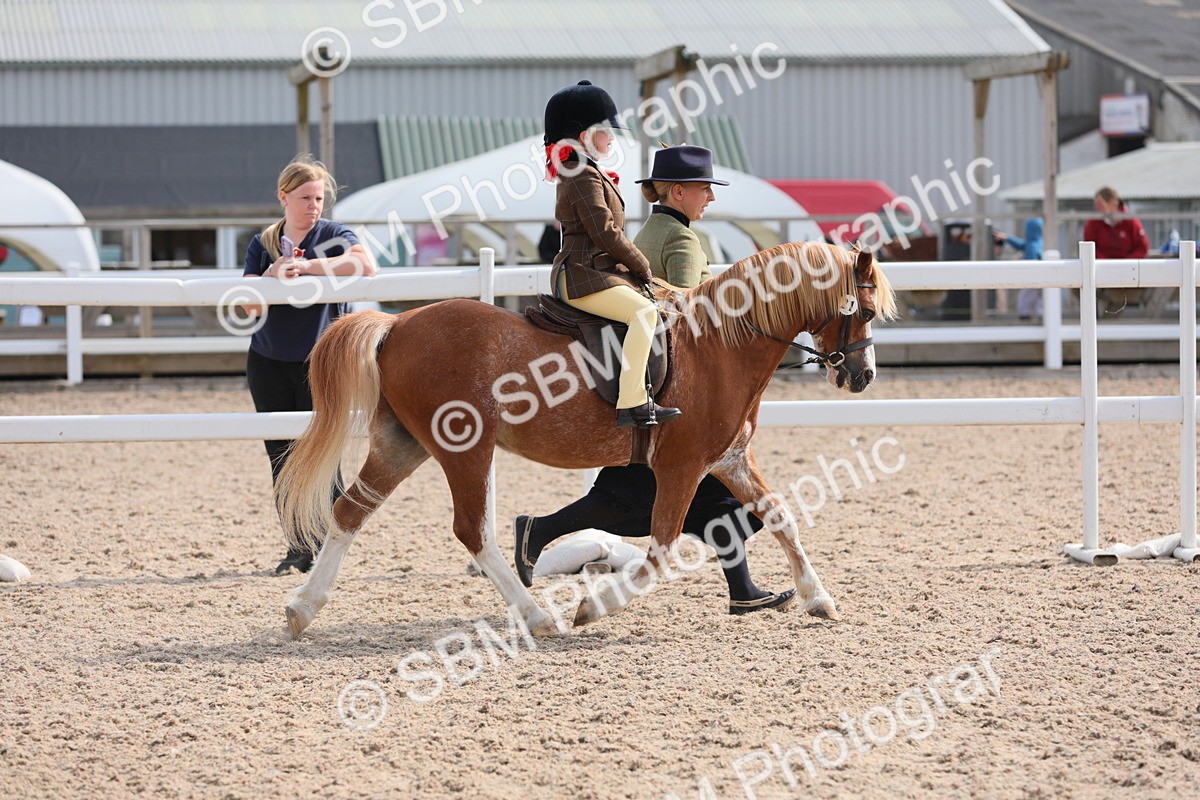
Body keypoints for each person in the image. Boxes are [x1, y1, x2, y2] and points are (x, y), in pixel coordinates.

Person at [514, 145, 796, 615]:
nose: (710, 198)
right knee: (648, 498)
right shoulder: (682, 241)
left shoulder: (651, 229)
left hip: (652, 373)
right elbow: (695, 314)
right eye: (705, 188)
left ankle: (742, 588)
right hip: (680, 388)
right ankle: (539, 531)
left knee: (698, 495)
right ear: (679, 191)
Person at [243, 154, 377, 574]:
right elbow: (245, 304)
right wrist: (272, 275)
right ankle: (298, 547)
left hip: (322, 362)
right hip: (268, 359)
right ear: (283, 197)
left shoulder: (333, 234)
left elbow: (364, 263)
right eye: (305, 197)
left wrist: (307, 267)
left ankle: (333, 543)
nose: (313, 205)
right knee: (281, 456)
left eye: (318, 197)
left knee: (326, 452)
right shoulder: (262, 244)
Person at [543, 80, 681, 429]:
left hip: (594, 270)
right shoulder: (580, 174)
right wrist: (641, 264)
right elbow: (604, 232)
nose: (612, 138)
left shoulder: (585, 170)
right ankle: (632, 402)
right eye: (606, 131)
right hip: (582, 274)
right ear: (585, 134)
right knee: (644, 313)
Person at [1083, 186, 1150, 313]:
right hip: (1101, 270)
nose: (1097, 208)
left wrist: (1126, 264)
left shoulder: (1131, 221)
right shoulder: (1093, 222)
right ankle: (1095, 315)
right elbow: (1089, 247)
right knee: (1078, 286)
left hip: (1129, 271)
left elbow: (1143, 247)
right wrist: (1107, 263)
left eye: (1100, 204)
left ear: (1112, 203)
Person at [995, 217, 1044, 320]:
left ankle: (1025, 315)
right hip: (1039, 277)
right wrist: (1007, 237)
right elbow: (1020, 244)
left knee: (1026, 296)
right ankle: (1039, 315)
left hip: (1033, 277)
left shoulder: (1033, 245)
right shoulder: (1036, 242)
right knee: (1037, 298)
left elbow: (1033, 260)